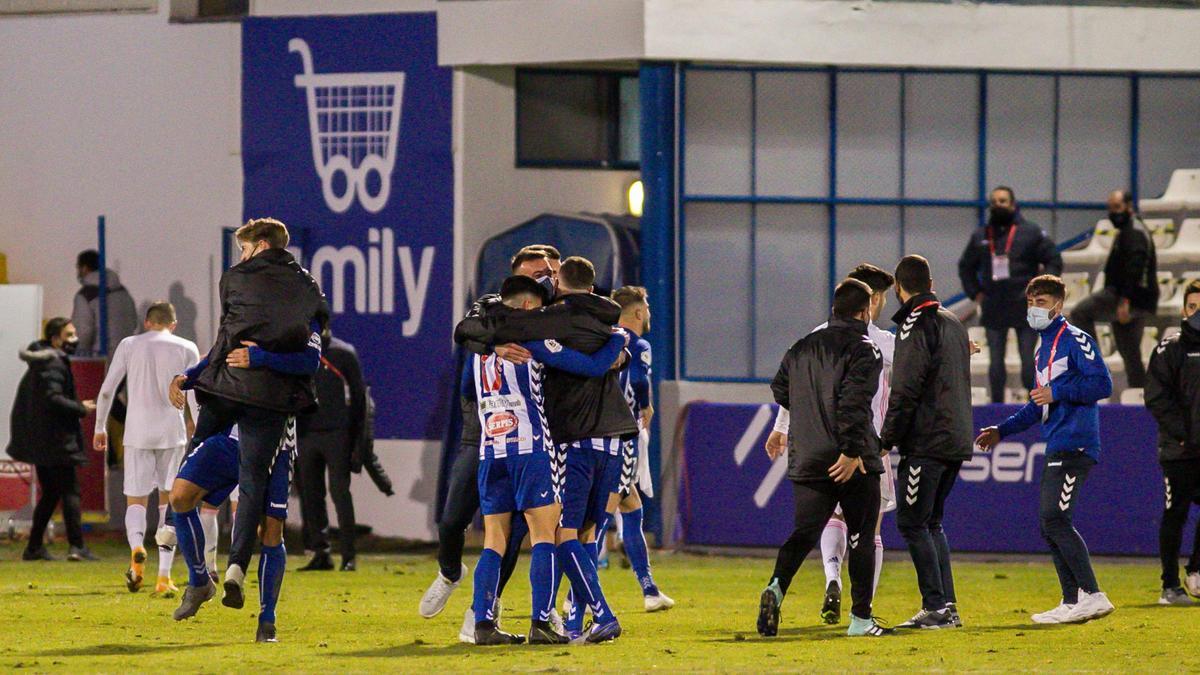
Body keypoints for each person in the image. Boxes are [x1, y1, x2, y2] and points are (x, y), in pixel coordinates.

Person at [456, 256, 638, 644]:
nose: (543, 314)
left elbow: (468, 395)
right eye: (539, 308)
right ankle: (541, 621)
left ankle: (484, 624)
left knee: (494, 539)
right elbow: (586, 365)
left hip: (491, 450)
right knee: (546, 533)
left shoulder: (481, 348)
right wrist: (619, 341)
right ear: (525, 306)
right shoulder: (533, 343)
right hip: (532, 448)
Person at [169, 218, 326, 643]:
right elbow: (221, 349)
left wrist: (264, 361)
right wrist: (192, 374)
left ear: (258, 248)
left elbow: (309, 364)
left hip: (274, 439)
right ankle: (200, 579)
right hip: (230, 434)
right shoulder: (247, 309)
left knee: (269, 532)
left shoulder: (304, 311)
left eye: (243, 251)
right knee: (181, 497)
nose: (240, 260)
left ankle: (266, 619)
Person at [419, 247, 558, 641]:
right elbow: (464, 330)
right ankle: (450, 573)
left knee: (510, 534)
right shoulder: (492, 309)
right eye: (538, 271)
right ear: (516, 274)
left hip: (522, 435)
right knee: (453, 521)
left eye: (551, 270)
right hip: (480, 433)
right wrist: (495, 344)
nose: (546, 276)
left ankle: (482, 614)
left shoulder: (547, 313)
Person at [976, 275, 1115, 624]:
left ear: (1058, 305)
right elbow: (1037, 405)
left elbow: (1102, 383)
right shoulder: (1042, 348)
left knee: (1055, 519)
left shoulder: (1075, 339)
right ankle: (1071, 601)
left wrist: (1059, 393)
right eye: (1030, 302)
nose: (1034, 309)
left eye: (1041, 302)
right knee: (1049, 523)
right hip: (1057, 441)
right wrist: (1001, 430)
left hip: (1076, 442)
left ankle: (1093, 594)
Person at [758, 279, 890, 638]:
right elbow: (853, 403)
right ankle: (861, 620)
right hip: (850, 459)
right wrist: (851, 451)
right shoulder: (866, 349)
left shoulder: (801, 347)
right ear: (865, 311)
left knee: (803, 533)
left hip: (808, 456)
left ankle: (775, 588)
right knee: (863, 534)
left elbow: (780, 389)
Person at [882, 255, 974, 629]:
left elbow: (905, 387)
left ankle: (935, 606)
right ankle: (946, 607)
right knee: (932, 523)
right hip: (955, 437)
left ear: (899, 289)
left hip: (927, 442)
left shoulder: (914, 324)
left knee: (912, 522)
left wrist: (886, 439)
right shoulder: (953, 321)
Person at [93, 301, 200, 594]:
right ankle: (164, 577)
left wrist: (100, 426)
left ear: (146, 322)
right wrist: (201, 432)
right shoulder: (186, 347)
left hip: (137, 431)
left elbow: (107, 388)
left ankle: (137, 547)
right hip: (171, 432)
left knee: (136, 499)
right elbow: (193, 395)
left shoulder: (130, 344)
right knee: (170, 501)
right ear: (173, 324)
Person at [959, 187, 1063, 402]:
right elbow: (965, 266)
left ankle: (1033, 407)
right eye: (994, 201)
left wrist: (1044, 290)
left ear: (1013, 204)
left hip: (1025, 307)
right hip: (993, 306)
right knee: (995, 363)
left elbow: (1054, 260)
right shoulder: (981, 235)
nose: (998, 205)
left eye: (1003, 201)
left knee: (1028, 362)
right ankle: (997, 408)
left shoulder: (1031, 232)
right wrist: (975, 293)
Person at [7, 317, 98, 561]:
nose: (74, 339)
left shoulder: (43, 362)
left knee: (51, 493)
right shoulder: (53, 364)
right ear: (55, 339)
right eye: (69, 335)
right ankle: (77, 546)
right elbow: (53, 398)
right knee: (70, 491)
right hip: (56, 440)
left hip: (43, 440)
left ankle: (34, 547)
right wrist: (81, 408)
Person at [607, 285, 674, 612]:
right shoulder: (638, 344)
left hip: (594, 435)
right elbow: (637, 379)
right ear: (636, 312)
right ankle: (572, 598)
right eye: (646, 307)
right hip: (621, 434)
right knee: (607, 511)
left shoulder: (601, 339)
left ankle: (650, 590)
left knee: (630, 506)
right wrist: (645, 406)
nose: (648, 313)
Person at [1145, 280, 1200, 605]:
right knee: (1175, 513)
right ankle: (1169, 585)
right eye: (1192, 307)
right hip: (1179, 449)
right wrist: (1184, 434)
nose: (1197, 314)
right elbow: (1156, 397)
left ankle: (1195, 570)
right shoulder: (1169, 349)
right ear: (1183, 310)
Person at [1070, 190, 1158, 388]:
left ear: (1129, 206)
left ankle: (1094, 365)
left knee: (1080, 313)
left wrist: (1125, 301)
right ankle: (1139, 392)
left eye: (1117, 207)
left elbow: (1137, 267)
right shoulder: (1127, 230)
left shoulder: (1134, 232)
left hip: (1126, 296)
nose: (1113, 213)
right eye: (1110, 208)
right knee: (1130, 351)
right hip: (1130, 296)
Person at [297, 327, 366, 573]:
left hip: (337, 434)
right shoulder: (300, 352)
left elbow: (359, 398)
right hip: (306, 433)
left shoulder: (342, 353)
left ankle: (348, 556)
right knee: (311, 496)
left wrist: (357, 440)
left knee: (339, 493)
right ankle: (320, 553)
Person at [72, 249, 138, 357]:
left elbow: (85, 332)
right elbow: (134, 321)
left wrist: (81, 353)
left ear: (84, 268)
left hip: (102, 357)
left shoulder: (85, 295)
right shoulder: (122, 291)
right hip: (127, 354)